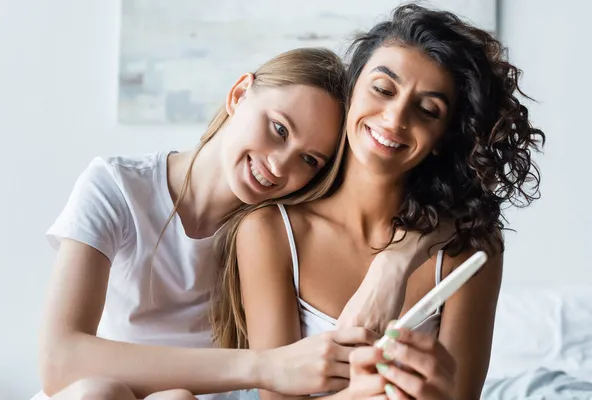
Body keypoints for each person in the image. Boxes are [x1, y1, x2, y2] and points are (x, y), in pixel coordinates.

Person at [220, 4, 545, 400]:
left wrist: (393, 266)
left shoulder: (469, 247)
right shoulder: (271, 230)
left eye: (427, 110)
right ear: (351, 90)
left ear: (444, 137)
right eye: (383, 89)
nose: (394, 120)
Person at [34, 47, 374, 400]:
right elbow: (59, 362)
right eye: (279, 129)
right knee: (99, 392)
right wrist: (264, 366)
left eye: (309, 159)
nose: (278, 165)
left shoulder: (274, 234)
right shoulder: (117, 186)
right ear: (239, 94)